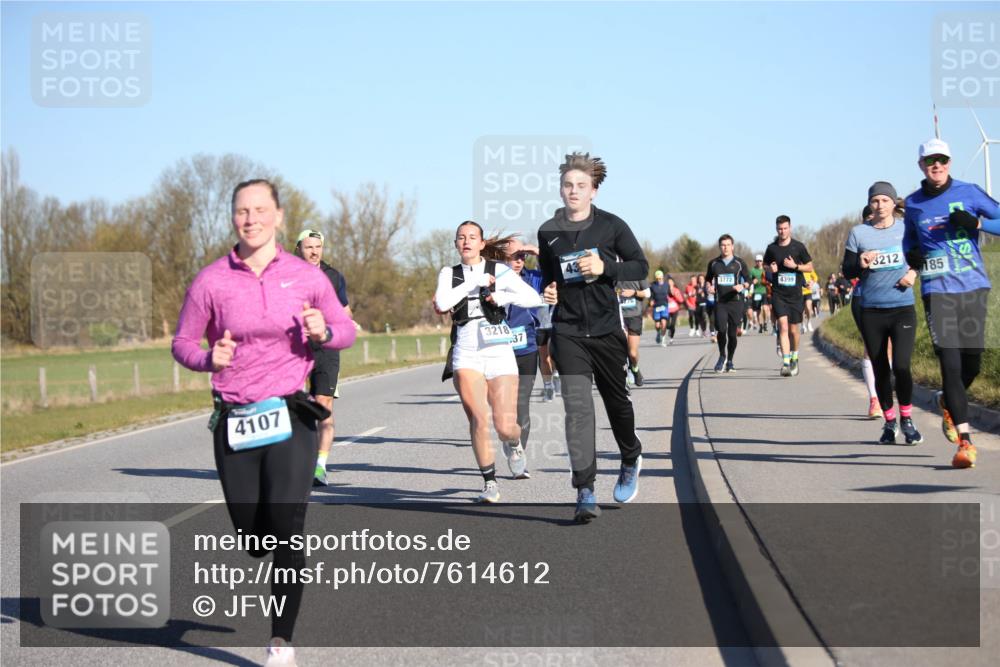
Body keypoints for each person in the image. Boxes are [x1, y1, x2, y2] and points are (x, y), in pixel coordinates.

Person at [172, 179, 357, 666]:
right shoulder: (210, 281)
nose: (250, 218)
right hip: (235, 417)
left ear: (277, 216)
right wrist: (209, 357)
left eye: (259, 210)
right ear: (233, 218)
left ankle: (280, 643)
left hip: (291, 413)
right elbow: (182, 343)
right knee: (256, 537)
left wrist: (325, 330)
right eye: (241, 211)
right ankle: (261, 544)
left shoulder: (306, 276)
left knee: (287, 526)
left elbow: (347, 330)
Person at [537, 152, 648, 523]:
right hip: (568, 331)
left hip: (605, 330)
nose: (573, 191)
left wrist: (606, 267)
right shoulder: (548, 232)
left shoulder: (612, 227)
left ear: (594, 191)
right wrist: (549, 292)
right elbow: (549, 276)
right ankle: (585, 489)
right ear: (561, 188)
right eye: (568, 185)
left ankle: (630, 456)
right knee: (578, 409)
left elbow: (640, 266)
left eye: (581, 186)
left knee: (617, 404)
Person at [903, 138, 1000, 468]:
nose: (937, 165)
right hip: (937, 292)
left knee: (972, 363)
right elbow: (909, 243)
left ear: (950, 162)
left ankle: (947, 399)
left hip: (973, 287)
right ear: (921, 166)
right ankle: (965, 442)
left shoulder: (969, 192)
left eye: (942, 160)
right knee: (951, 363)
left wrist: (977, 224)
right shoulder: (914, 205)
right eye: (930, 161)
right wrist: (911, 256)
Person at [435, 222, 544, 499]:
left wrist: (500, 295)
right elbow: (442, 303)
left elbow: (533, 298)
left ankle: (514, 442)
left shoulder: (499, 270)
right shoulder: (450, 274)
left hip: (499, 351)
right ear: (456, 244)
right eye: (461, 237)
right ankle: (490, 482)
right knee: (479, 419)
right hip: (466, 351)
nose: (466, 241)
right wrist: (473, 282)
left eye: (472, 237)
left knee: (505, 425)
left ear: (482, 244)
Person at [843, 182, 922, 445]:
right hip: (872, 310)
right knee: (880, 368)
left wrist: (912, 273)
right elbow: (848, 271)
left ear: (892, 203)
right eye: (875, 201)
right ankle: (889, 423)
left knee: (901, 365)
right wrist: (860, 262)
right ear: (870, 204)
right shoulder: (858, 233)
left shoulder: (905, 228)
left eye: (884, 201)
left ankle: (907, 420)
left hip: (902, 307)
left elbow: (921, 255)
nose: (880, 206)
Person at [294, 228, 352, 487]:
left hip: (326, 348)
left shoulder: (333, 276)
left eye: (318, 247)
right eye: (309, 247)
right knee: (293, 406)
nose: (314, 251)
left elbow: (345, 312)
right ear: (299, 249)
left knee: (323, 404)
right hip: (294, 349)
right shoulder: (285, 275)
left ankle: (319, 466)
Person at [504, 238, 543, 477]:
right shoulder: (491, 280)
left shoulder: (534, 278)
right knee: (502, 407)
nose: (518, 261)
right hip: (498, 352)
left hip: (527, 348)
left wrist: (536, 251)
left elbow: (554, 271)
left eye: (521, 256)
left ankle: (519, 452)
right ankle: (508, 434)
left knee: (522, 405)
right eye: (512, 256)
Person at [764, 215, 815, 376]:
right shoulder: (772, 248)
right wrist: (770, 269)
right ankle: (786, 363)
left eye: (785, 228)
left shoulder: (798, 247)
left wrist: (795, 266)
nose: (782, 231)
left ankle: (794, 356)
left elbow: (810, 267)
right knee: (783, 327)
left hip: (795, 295)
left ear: (790, 228)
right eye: (779, 229)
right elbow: (766, 265)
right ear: (776, 229)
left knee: (794, 330)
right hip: (779, 294)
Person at [705, 234, 751, 372]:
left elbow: (748, 280)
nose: (725, 248)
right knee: (721, 330)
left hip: (735, 302)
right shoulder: (714, 263)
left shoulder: (739, 263)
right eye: (723, 245)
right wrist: (709, 287)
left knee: (732, 334)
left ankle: (730, 360)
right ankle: (721, 356)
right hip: (720, 302)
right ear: (720, 247)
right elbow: (708, 279)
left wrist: (742, 286)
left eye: (728, 245)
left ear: (733, 246)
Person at [618, 276, 651, 386]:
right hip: (618, 315)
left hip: (634, 315)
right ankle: (624, 374)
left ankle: (635, 369)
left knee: (632, 353)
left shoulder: (637, 271)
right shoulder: (613, 270)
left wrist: (634, 292)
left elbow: (648, 293)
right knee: (622, 348)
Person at [649, 269, 671, 345]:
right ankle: (658, 333)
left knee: (664, 323)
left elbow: (670, 294)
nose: (659, 280)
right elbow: (651, 296)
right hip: (656, 306)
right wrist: (651, 300)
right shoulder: (652, 285)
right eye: (657, 278)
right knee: (657, 325)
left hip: (664, 305)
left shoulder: (666, 285)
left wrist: (671, 297)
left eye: (660, 278)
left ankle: (663, 339)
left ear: (662, 278)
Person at [749, 255, 768, 333]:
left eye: (760, 261)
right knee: (758, 310)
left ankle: (765, 323)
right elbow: (748, 281)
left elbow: (770, 278)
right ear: (755, 262)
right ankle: (760, 325)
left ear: (762, 261)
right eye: (757, 261)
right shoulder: (752, 270)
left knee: (765, 309)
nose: (759, 262)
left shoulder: (765, 269)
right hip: (756, 292)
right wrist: (752, 282)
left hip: (765, 291)